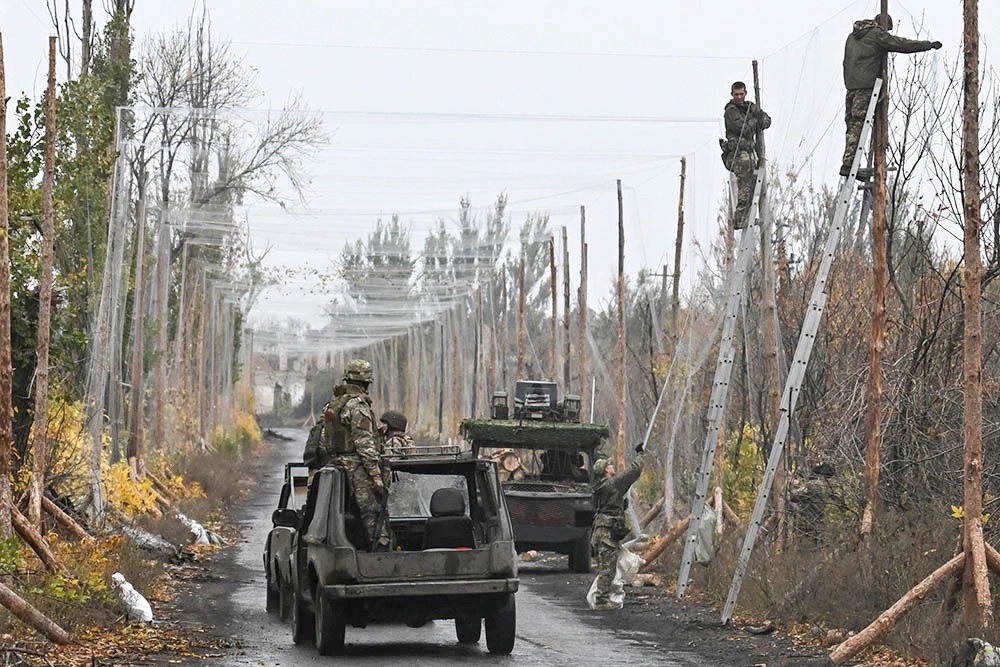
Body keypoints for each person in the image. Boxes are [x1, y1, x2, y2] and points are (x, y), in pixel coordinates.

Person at [840, 14, 940, 178]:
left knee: (851, 125)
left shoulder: (852, 36)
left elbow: (846, 61)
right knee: (858, 124)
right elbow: (901, 44)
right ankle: (849, 164)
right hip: (865, 87)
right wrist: (928, 45)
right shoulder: (877, 35)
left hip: (850, 86)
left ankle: (848, 162)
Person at [314, 359, 391, 551]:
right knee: (373, 509)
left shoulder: (334, 404)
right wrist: (376, 476)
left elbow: (323, 439)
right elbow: (364, 444)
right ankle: (381, 550)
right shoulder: (358, 406)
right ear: (365, 383)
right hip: (355, 465)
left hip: (336, 463)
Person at [589, 443, 645, 610]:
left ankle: (604, 597)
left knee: (609, 566)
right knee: (608, 568)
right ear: (606, 470)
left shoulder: (600, 488)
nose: (613, 466)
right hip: (606, 534)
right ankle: (601, 600)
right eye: (610, 465)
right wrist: (640, 454)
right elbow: (634, 471)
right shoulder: (612, 484)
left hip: (602, 531)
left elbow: (607, 505)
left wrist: (620, 504)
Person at [722, 81, 771, 229]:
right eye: (736, 94)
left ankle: (747, 216)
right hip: (739, 155)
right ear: (732, 94)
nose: (739, 97)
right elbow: (743, 129)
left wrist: (758, 120)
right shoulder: (730, 112)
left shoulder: (749, 107)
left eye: (741, 94)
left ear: (745, 93)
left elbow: (766, 120)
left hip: (750, 154)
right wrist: (755, 120)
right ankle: (741, 218)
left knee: (752, 185)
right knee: (745, 186)